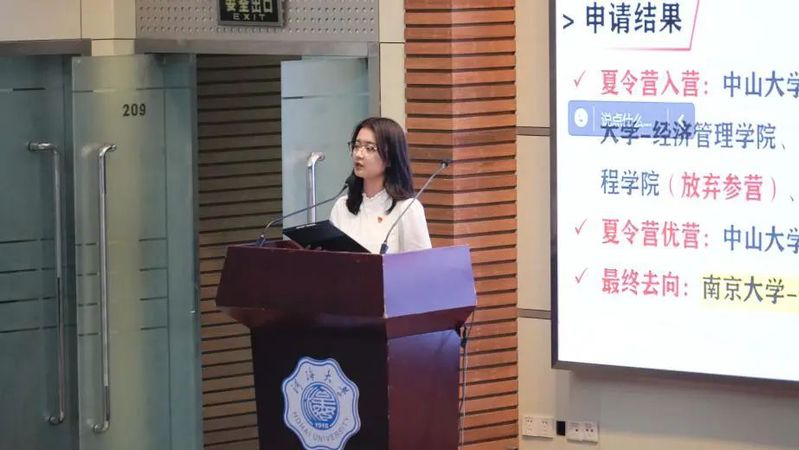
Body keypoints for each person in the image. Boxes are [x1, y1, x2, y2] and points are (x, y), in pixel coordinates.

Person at [330, 117, 432, 254]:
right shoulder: (342, 207)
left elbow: (422, 264)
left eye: (369, 148)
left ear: (390, 157)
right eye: (357, 146)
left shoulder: (407, 209)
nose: (359, 154)